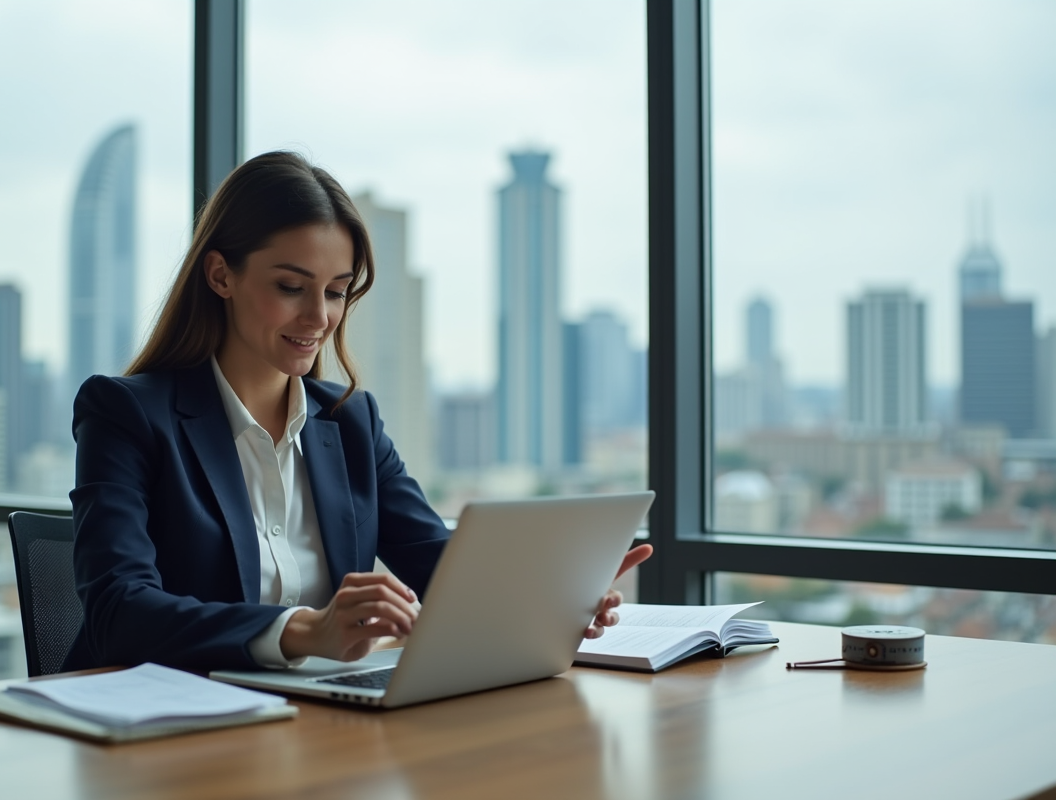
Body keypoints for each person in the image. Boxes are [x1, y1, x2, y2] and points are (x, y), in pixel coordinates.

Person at [62, 151, 651, 673]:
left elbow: (439, 567)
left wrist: (551, 600)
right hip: (163, 737)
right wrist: (304, 631)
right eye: (292, 287)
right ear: (221, 275)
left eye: (337, 290)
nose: (319, 317)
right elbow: (119, 611)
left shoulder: (350, 422)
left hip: (309, 726)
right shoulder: (126, 413)